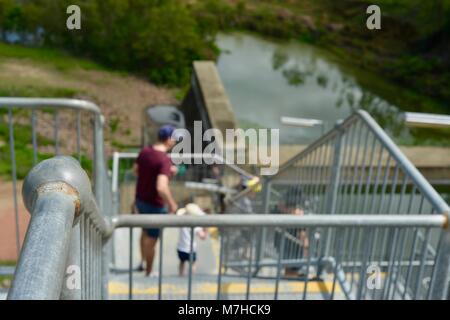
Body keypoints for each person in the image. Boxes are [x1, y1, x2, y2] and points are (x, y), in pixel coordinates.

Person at [133, 125, 179, 276]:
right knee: (152, 240)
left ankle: (142, 262)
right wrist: (172, 204)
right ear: (168, 139)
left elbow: (136, 171)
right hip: (155, 205)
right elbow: (161, 187)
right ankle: (149, 272)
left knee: (144, 232)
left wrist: (164, 172)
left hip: (141, 200)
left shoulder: (145, 152)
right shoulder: (164, 160)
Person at [176, 203, 208, 276]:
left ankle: (181, 275)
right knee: (192, 263)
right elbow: (202, 236)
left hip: (180, 248)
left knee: (182, 261)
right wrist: (206, 230)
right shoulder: (195, 226)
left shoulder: (182, 221)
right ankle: (191, 276)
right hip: (190, 249)